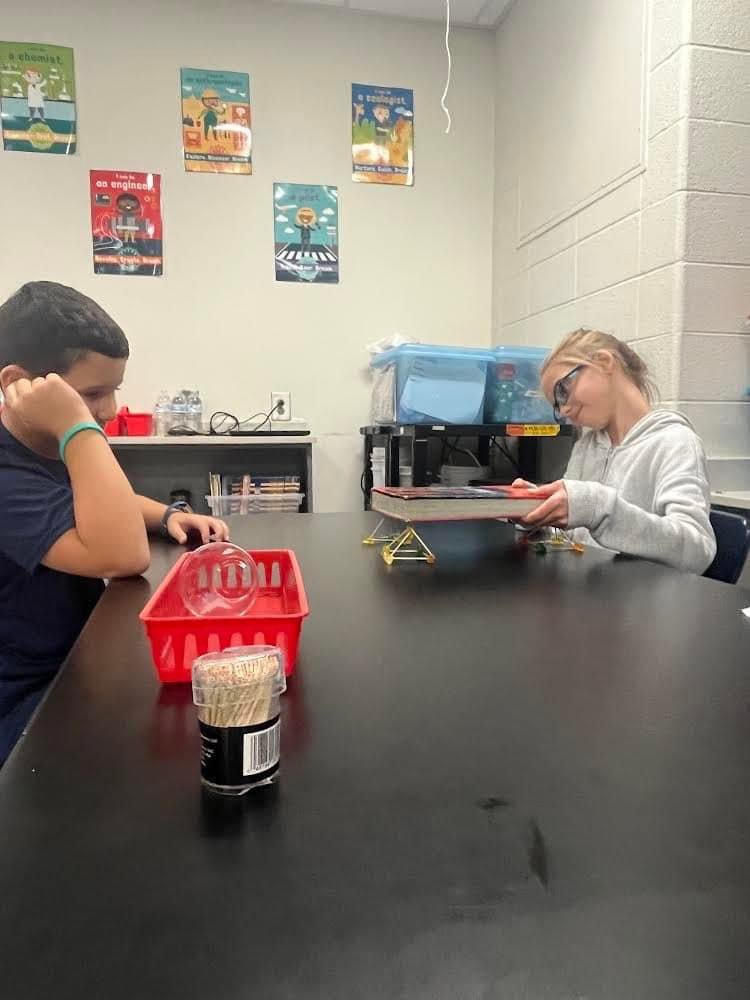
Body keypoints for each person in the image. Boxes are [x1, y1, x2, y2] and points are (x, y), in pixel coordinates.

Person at [0, 281, 229, 765]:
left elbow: (95, 501)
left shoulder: (45, 444)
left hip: (76, 658)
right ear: (19, 383)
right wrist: (77, 426)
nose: (109, 410)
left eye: (114, 390)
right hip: (29, 701)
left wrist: (168, 515)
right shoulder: (16, 466)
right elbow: (123, 556)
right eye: (93, 394)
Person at [516, 329, 716, 575]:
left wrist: (599, 507)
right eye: (557, 405)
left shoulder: (675, 442)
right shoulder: (586, 447)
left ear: (603, 362)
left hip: (642, 595)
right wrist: (539, 511)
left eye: (563, 391)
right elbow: (572, 537)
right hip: (590, 588)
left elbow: (697, 552)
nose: (564, 410)